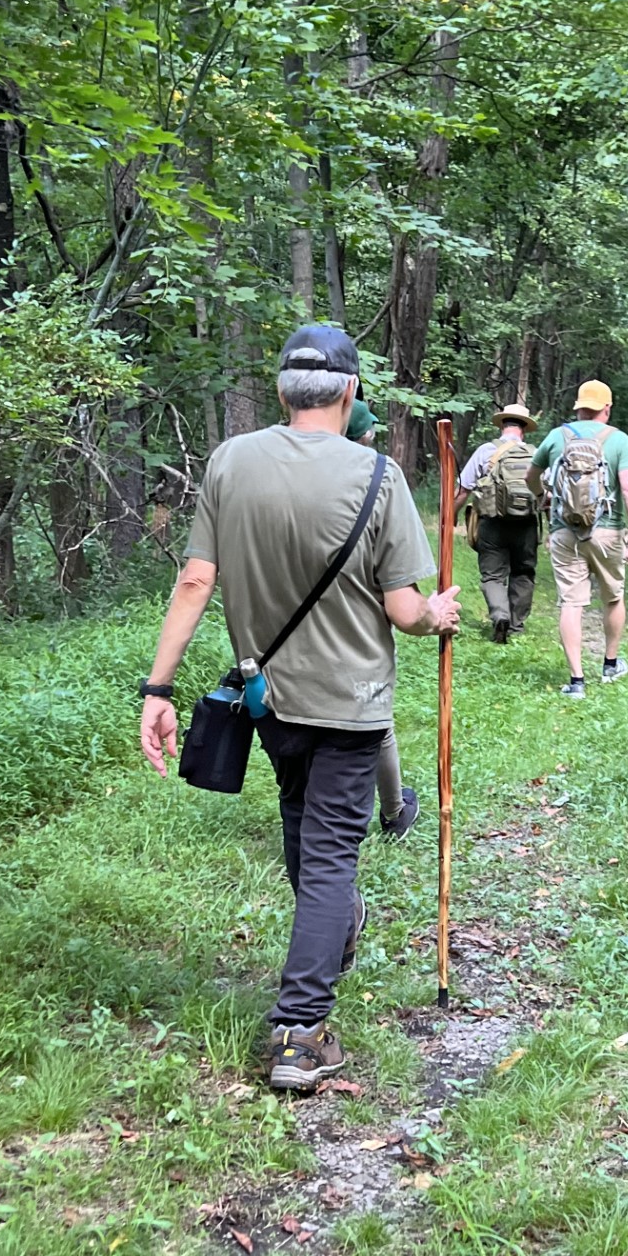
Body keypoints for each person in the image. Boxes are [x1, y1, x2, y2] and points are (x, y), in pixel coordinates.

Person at [139, 324, 460, 1090]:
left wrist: (158, 690)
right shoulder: (379, 476)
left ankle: (331, 935)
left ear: (284, 391)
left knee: (304, 835)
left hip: (268, 698)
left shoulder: (229, 463)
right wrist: (437, 617)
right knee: (327, 862)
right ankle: (300, 1033)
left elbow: (194, 582)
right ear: (349, 393)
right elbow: (403, 609)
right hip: (350, 707)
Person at [528, 379, 628, 699]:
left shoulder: (556, 437)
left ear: (578, 407)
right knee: (613, 596)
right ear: (606, 408)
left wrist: (545, 497)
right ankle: (610, 664)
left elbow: (531, 477)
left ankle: (576, 681)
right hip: (608, 530)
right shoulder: (619, 440)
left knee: (571, 602)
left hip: (565, 531)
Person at [345, 398, 418, 838]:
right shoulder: (377, 475)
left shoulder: (292, 473)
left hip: (286, 637)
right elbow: (403, 599)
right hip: (358, 630)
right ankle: (392, 812)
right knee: (376, 726)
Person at [453, 402, 542, 643]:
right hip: (526, 525)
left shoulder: (485, 451)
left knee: (492, 576)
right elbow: (548, 490)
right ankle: (516, 626)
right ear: (524, 429)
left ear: (503, 425)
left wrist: (449, 515)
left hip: (492, 523)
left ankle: (500, 615)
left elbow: (463, 489)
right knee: (523, 572)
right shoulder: (536, 453)